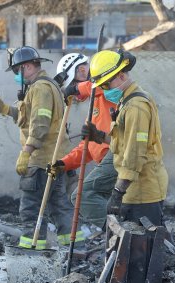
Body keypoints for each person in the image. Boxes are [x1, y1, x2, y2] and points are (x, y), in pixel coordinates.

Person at [0, 46, 77, 249]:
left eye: (16, 70)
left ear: (27, 67)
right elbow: (28, 118)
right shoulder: (46, 86)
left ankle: (31, 249)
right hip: (55, 158)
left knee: (31, 207)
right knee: (59, 205)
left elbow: (40, 124)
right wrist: (7, 110)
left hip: (40, 159)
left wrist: (26, 153)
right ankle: (74, 248)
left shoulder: (40, 89)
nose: (15, 76)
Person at [81, 49, 167, 226]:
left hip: (142, 192)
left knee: (144, 247)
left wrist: (117, 193)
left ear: (120, 76)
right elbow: (124, 142)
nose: (104, 90)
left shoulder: (136, 107)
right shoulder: (126, 102)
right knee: (138, 246)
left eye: (106, 85)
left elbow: (134, 154)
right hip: (134, 190)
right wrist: (99, 136)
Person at [52, 53, 118, 230]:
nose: (74, 93)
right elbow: (86, 147)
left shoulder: (107, 89)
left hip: (118, 155)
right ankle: (116, 234)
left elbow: (104, 86)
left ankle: (118, 232)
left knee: (83, 195)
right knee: (109, 205)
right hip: (106, 161)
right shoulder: (94, 104)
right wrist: (63, 164)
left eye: (72, 84)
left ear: (82, 70)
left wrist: (78, 88)